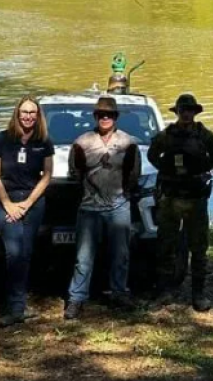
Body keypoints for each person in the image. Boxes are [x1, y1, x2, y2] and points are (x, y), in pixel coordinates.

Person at [64, 96, 142, 320]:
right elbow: (75, 173)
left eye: (109, 114)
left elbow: (134, 174)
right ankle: (76, 298)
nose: (105, 118)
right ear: (95, 116)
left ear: (116, 117)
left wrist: (124, 193)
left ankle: (119, 292)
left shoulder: (129, 143)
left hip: (119, 206)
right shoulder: (82, 143)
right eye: (101, 114)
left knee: (121, 254)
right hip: (89, 207)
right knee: (83, 257)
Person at [148, 94, 213, 311]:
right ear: (177, 112)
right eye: (183, 109)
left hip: (195, 196)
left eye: (190, 110)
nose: (186, 113)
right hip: (170, 196)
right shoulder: (166, 136)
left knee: (198, 247)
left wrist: (200, 169)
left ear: (195, 112)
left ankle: (198, 294)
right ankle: (165, 291)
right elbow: (153, 154)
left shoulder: (204, 135)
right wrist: (167, 169)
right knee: (166, 244)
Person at [0, 95, 54, 327]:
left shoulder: (44, 141)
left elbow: (47, 176)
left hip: (33, 203)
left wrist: (27, 204)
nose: (28, 117)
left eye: (32, 113)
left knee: (25, 253)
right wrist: (8, 204)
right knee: (13, 251)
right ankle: (14, 306)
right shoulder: (1, 140)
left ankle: (18, 306)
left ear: (38, 116)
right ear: (17, 114)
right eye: (24, 112)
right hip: (6, 200)